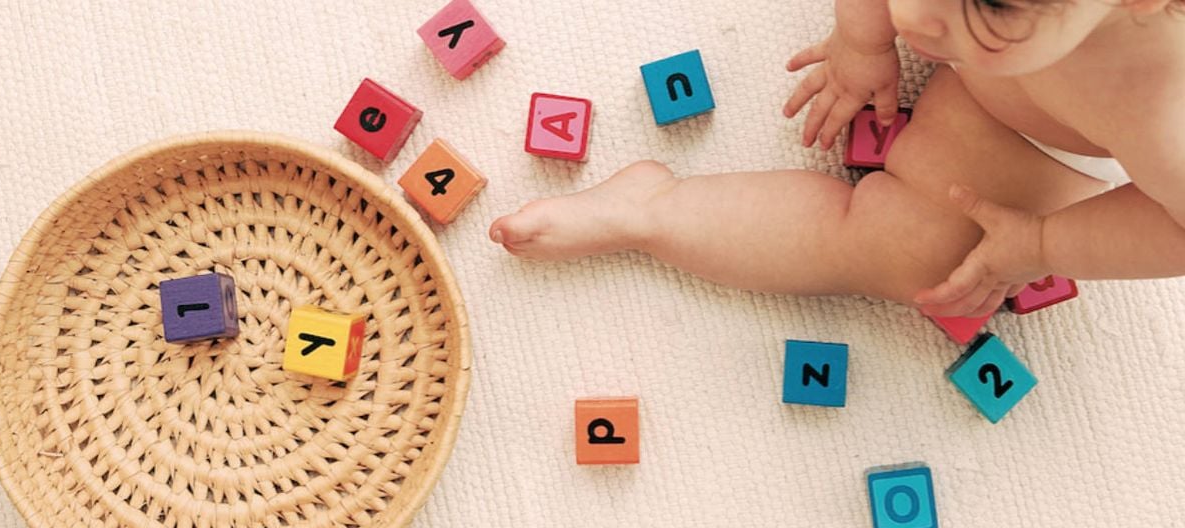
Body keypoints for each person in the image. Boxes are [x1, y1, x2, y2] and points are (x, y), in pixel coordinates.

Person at [488, 0, 1185, 318]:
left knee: (920, 254)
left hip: (1030, 140)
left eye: (994, 5)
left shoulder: (1164, 115)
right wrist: (863, 40)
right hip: (1003, 84)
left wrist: (1042, 241)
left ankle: (652, 212)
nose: (916, 14)